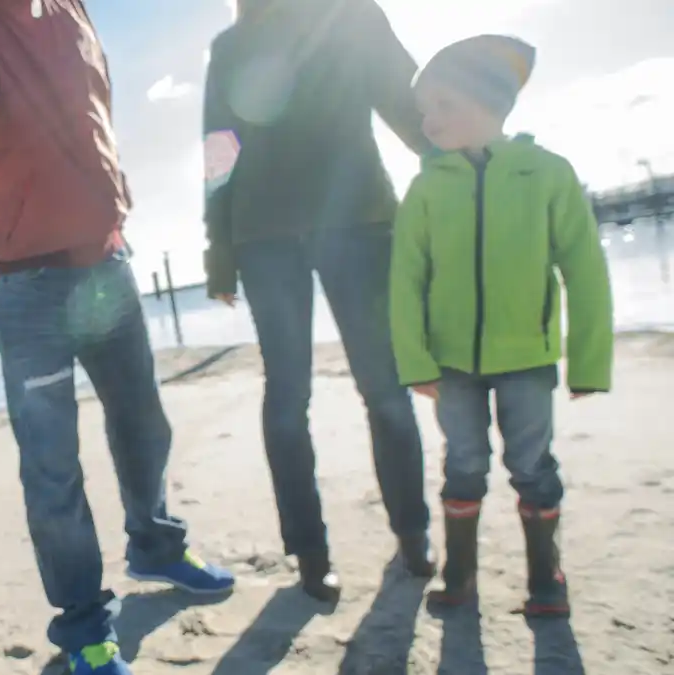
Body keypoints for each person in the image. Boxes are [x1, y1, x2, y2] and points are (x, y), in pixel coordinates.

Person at [0, 1, 234, 673]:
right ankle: (83, 625)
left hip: (106, 261)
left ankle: (157, 545)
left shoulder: (70, 7)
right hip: (25, 284)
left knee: (143, 423)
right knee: (52, 465)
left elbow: (86, 118)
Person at [202, 0, 435, 602]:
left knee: (384, 387)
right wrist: (220, 250)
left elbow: (404, 100)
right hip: (264, 235)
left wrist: (456, 166)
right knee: (288, 394)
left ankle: (413, 532)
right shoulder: (232, 46)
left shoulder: (353, 14)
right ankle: (310, 552)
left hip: (357, 218)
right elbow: (219, 148)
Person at [390, 35, 613, 617]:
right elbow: (406, 281)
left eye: (442, 105)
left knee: (532, 465)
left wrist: (589, 361)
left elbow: (585, 270)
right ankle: (459, 574)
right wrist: (414, 360)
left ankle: (546, 576)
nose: (429, 121)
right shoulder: (426, 188)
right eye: (423, 112)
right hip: (452, 364)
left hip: (528, 359)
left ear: (488, 100)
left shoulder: (546, 173)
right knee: (462, 464)